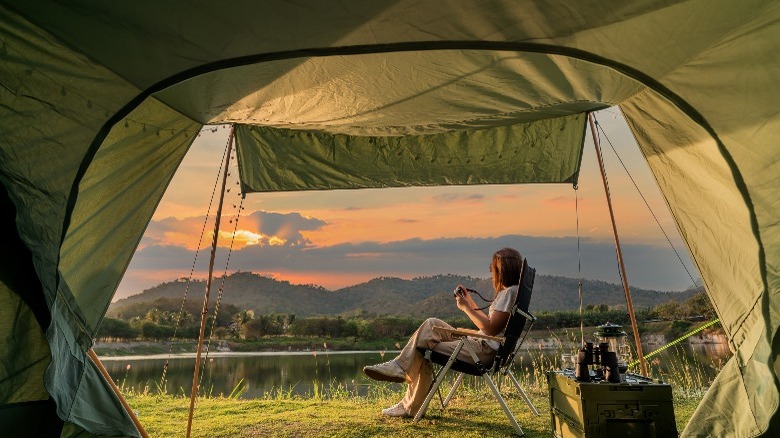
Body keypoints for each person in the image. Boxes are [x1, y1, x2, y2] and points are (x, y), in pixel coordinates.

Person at [362, 247, 523, 418]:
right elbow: (491, 325)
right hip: (481, 343)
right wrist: (469, 302)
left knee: (424, 347)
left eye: (493, 266)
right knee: (431, 324)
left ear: (502, 269)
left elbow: (491, 329)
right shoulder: (513, 292)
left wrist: (466, 308)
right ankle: (400, 371)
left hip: (483, 350)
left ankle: (408, 399)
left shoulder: (509, 293)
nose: (490, 269)